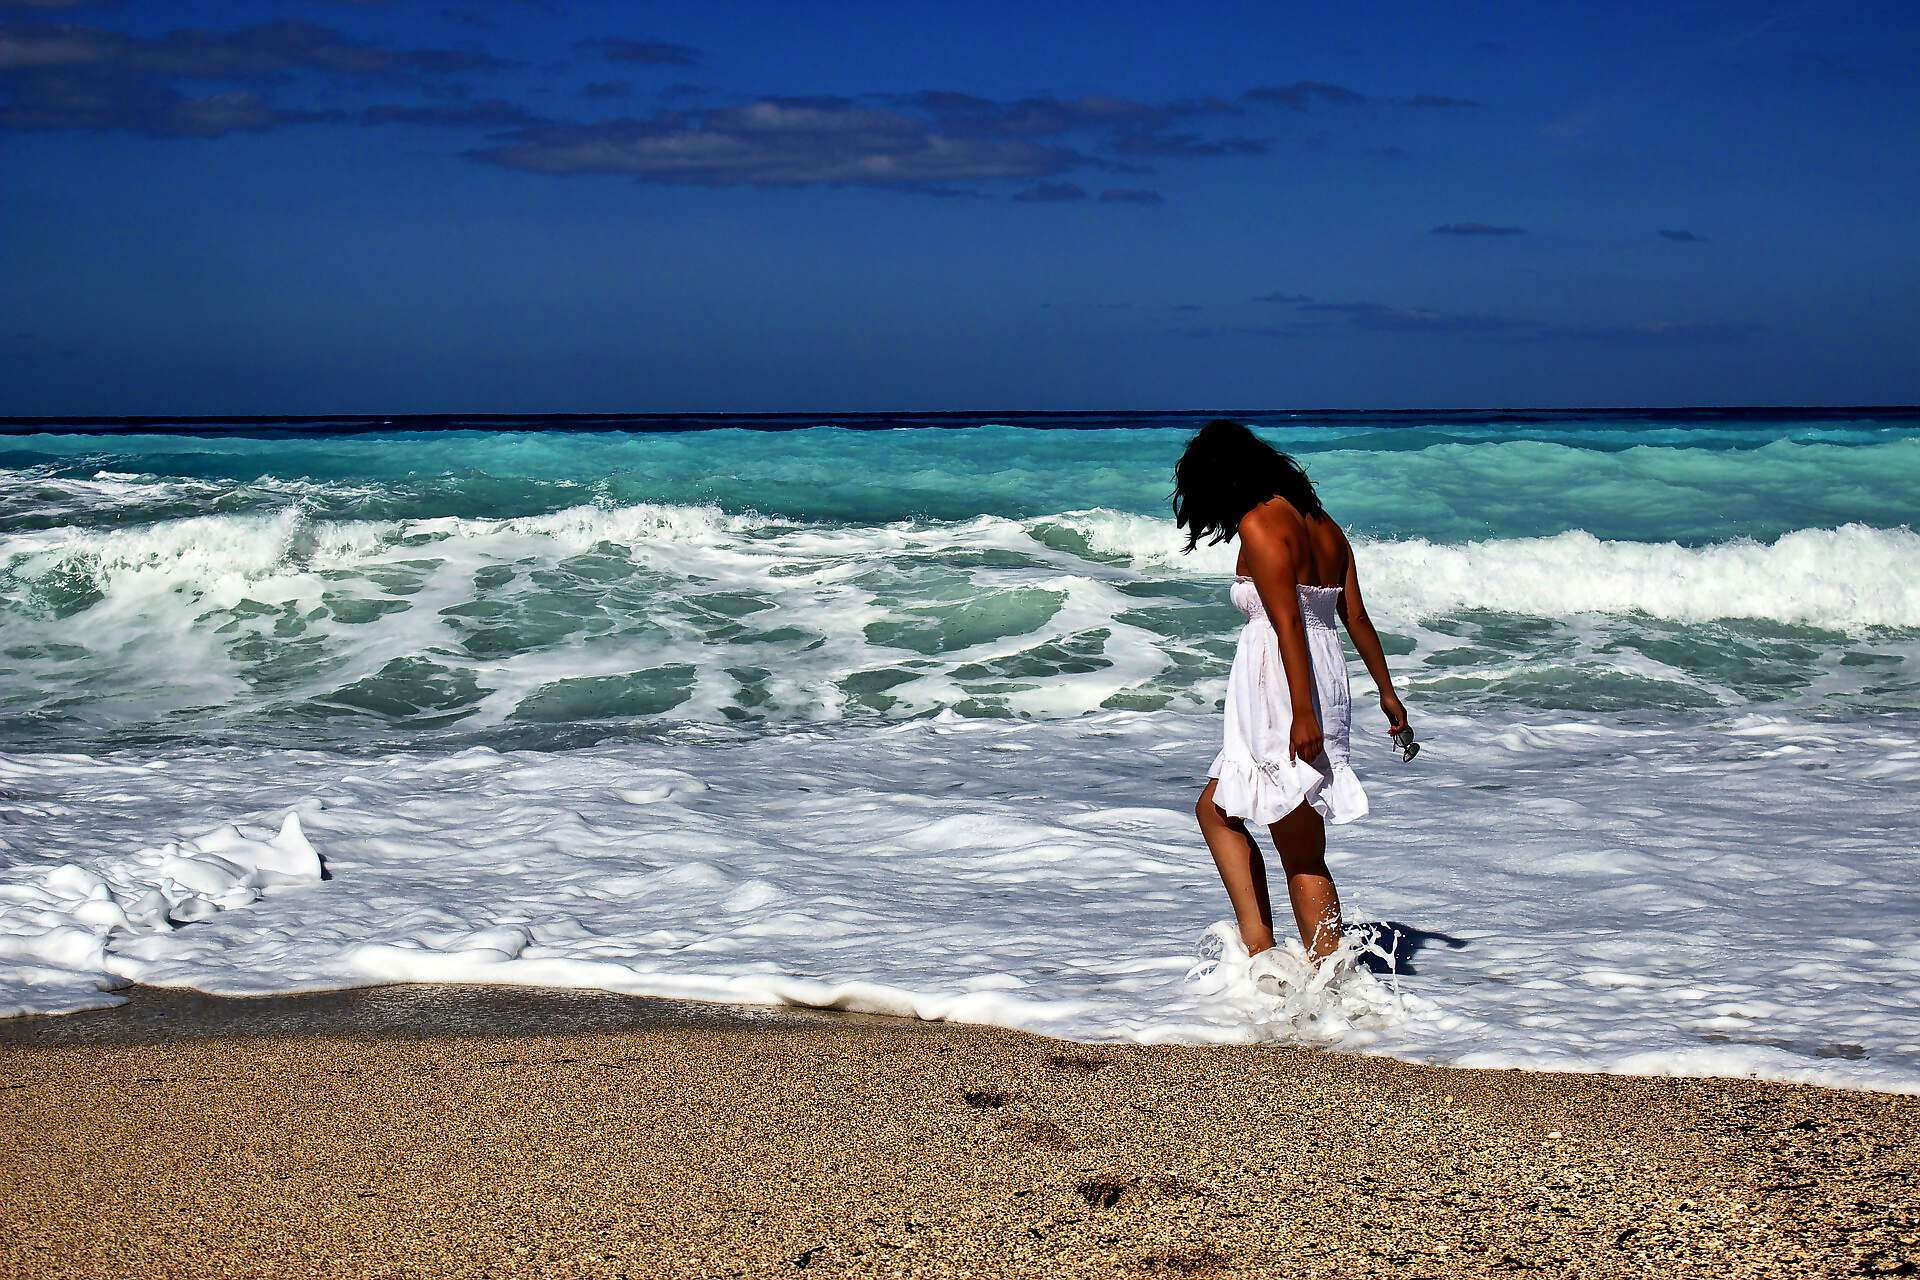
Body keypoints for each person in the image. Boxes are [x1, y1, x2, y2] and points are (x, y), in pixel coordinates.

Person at [1173, 419, 1409, 962]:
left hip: (1284, 685)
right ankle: (1285, 962)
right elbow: (1354, 617)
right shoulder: (1325, 527)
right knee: (1235, 816)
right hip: (1323, 676)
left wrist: (1303, 713)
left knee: (1291, 842)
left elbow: (1288, 624)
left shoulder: (1261, 522)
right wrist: (1387, 692)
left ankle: (1300, 971)